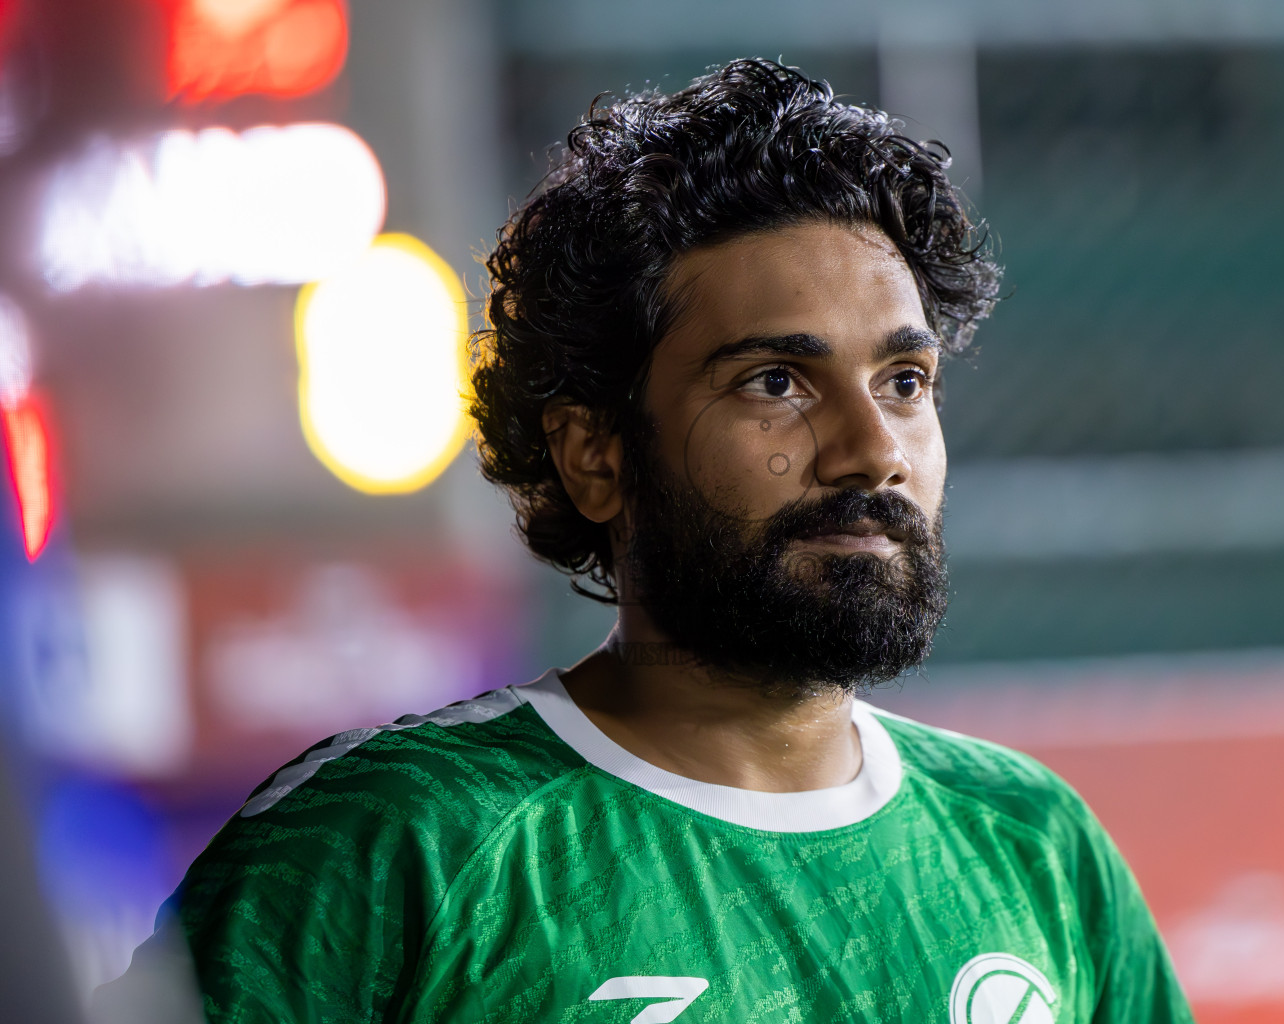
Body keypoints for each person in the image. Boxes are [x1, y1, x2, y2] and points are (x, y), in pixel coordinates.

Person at [111, 59, 1194, 1023]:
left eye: (904, 382)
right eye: (778, 383)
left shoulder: (1034, 843)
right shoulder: (396, 843)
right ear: (595, 454)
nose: (874, 449)